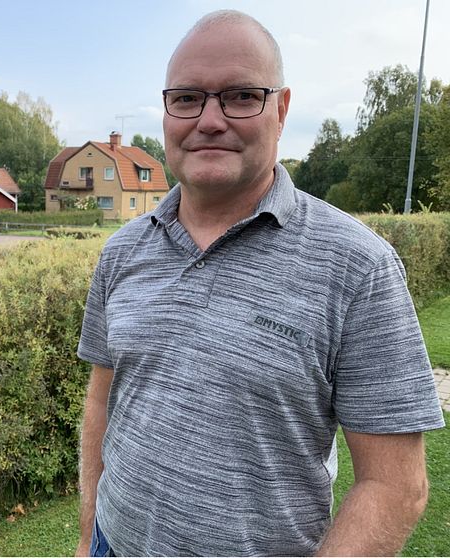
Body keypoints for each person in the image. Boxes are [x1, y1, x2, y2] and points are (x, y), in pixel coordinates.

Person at [75, 10, 445, 557]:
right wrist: (87, 539)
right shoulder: (122, 252)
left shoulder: (359, 267)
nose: (209, 119)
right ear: (166, 110)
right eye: (187, 98)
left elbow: (395, 485)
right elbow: (103, 406)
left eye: (241, 96)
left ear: (282, 109)